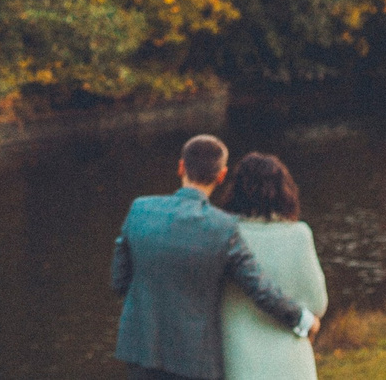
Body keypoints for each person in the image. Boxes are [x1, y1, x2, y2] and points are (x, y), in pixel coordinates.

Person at [111, 134, 316, 380]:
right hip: (193, 360)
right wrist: (303, 319)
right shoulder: (222, 227)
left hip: (141, 350)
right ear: (221, 175)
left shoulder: (140, 210)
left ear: (181, 167)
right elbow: (260, 288)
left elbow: (120, 281)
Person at [215, 153, 328, 380]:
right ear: (285, 190)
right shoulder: (299, 235)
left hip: (239, 360)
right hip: (291, 362)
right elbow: (318, 304)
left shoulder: (222, 235)